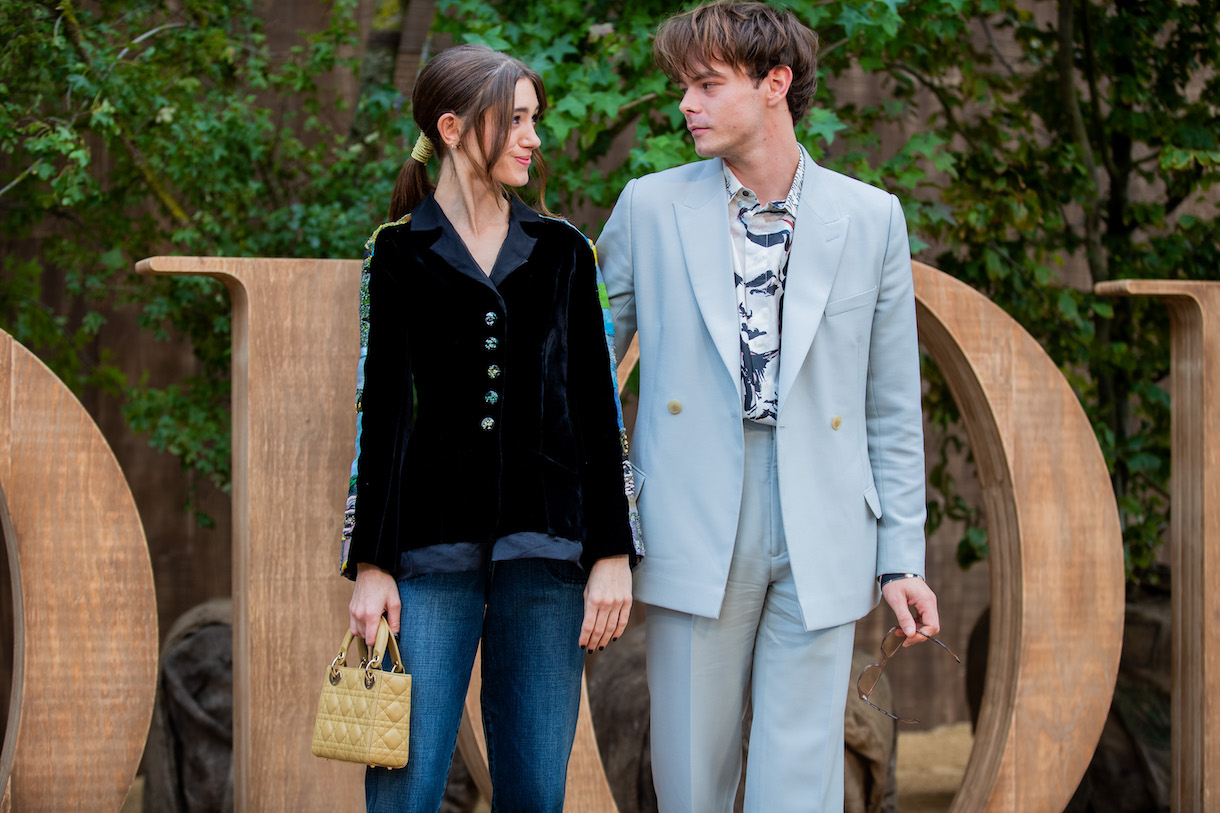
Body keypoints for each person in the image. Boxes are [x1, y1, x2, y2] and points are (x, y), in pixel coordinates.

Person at [595, 3, 940, 811]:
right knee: (690, 781)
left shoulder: (871, 218)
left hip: (827, 518)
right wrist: (603, 518)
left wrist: (901, 558)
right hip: (690, 509)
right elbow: (582, 378)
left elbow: (892, 406)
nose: (687, 104)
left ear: (775, 84)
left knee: (800, 787)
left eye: (708, 84)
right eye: (684, 86)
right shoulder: (648, 207)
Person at [340, 43, 643, 813]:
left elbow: (597, 410)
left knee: (536, 790)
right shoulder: (396, 251)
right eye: (514, 120)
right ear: (451, 128)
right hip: (425, 554)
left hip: (548, 552)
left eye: (534, 119)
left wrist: (613, 551)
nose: (533, 138)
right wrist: (371, 563)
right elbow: (381, 413)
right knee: (405, 786)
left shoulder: (564, 251)